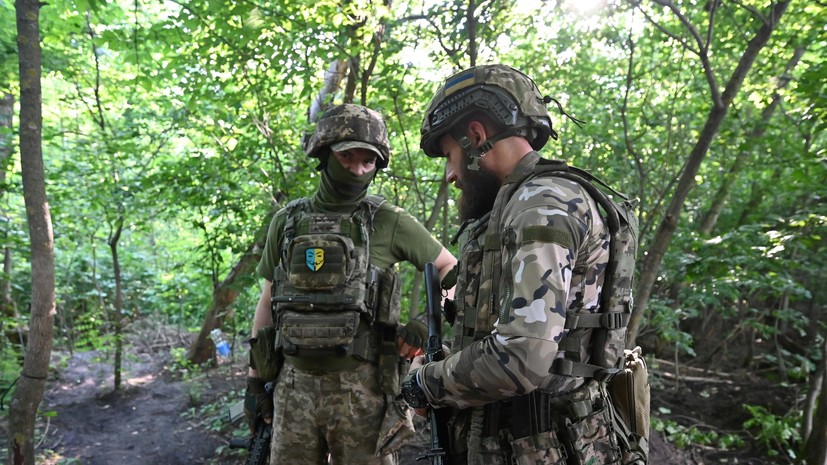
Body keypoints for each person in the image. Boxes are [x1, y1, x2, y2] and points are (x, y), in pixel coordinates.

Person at [400, 64, 638, 464]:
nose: (450, 175)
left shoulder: (541, 206)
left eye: (449, 155)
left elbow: (521, 358)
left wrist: (424, 384)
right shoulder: (526, 203)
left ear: (476, 135)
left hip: (538, 445)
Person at [245, 103, 457, 465]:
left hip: (362, 390)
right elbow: (268, 300)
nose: (357, 170)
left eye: (368, 162)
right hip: (293, 385)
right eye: (347, 158)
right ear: (324, 154)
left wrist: (427, 321)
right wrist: (254, 379)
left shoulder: (388, 220)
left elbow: (451, 269)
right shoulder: (288, 221)